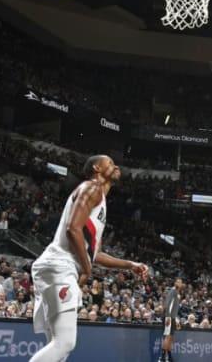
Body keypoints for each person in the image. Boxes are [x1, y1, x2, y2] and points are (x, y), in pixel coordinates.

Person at [29, 155, 149, 362]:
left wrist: (130, 264)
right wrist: (86, 269)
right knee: (65, 343)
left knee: (59, 348)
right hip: (60, 265)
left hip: (56, 266)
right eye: (110, 163)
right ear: (96, 168)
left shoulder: (100, 201)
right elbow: (72, 229)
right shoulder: (92, 188)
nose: (116, 165)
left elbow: (96, 254)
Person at [159, 277, 184, 362]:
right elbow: (168, 304)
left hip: (172, 317)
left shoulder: (177, 293)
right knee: (167, 337)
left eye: (180, 282)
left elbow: (175, 309)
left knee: (171, 338)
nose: (179, 283)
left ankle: (169, 357)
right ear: (175, 283)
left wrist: (176, 320)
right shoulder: (173, 291)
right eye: (177, 282)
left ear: (181, 285)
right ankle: (162, 357)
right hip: (168, 317)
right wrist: (168, 317)